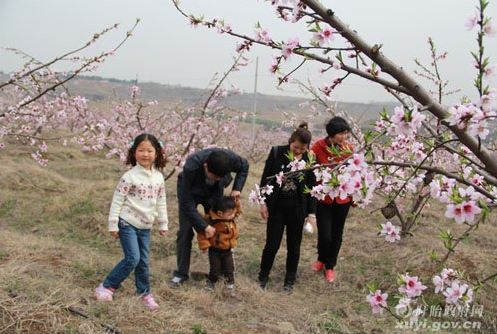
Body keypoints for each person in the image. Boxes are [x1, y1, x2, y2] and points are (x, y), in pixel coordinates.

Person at [94, 133, 169, 310]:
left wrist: (163, 223)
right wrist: (113, 224)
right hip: (127, 222)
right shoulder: (129, 176)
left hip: (145, 226)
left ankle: (144, 293)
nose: (145, 154)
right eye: (141, 150)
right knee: (133, 258)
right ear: (134, 152)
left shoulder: (158, 177)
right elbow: (117, 200)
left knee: (143, 261)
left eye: (149, 150)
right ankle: (106, 286)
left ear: (156, 153)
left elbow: (161, 201)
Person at [168, 148, 249, 288]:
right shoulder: (191, 166)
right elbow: (187, 205)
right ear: (206, 167)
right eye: (215, 176)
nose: (218, 179)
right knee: (185, 231)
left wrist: (237, 188)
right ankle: (181, 273)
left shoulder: (230, 159)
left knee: (220, 228)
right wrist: (204, 226)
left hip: (214, 192)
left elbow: (245, 165)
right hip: (191, 192)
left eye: (221, 177)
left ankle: (220, 273)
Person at [258, 122, 316, 292]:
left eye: (302, 149)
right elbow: (265, 179)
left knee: (294, 245)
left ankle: (290, 279)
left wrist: (311, 214)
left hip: (298, 209)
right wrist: (263, 203)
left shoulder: (310, 159)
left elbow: (312, 188)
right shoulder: (277, 152)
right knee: (272, 244)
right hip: (277, 207)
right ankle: (263, 275)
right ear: (291, 140)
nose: (298, 151)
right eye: (296, 147)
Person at [311, 116, 353, 282]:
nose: (343, 137)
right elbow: (310, 170)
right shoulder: (318, 147)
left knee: (337, 234)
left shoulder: (348, 148)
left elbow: (354, 173)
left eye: (345, 133)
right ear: (330, 134)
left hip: (343, 199)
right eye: (340, 134)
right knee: (325, 234)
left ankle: (330, 266)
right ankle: (321, 258)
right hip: (324, 198)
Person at [197, 196, 241, 296]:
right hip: (215, 251)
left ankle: (230, 286)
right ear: (220, 213)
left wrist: (237, 202)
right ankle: (211, 283)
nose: (233, 215)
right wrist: (205, 245)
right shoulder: (211, 220)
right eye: (230, 214)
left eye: (233, 213)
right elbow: (201, 234)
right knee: (215, 269)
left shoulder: (230, 217)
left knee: (230, 269)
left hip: (228, 250)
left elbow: (237, 211)